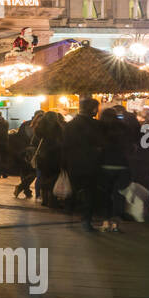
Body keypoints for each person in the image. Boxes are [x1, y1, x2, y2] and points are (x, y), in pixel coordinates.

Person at [62, 98, 105, 231]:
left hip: (73, 163)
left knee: (73, 190)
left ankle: (69, 215)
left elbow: (64, 145)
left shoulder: (70, 125)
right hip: (90, 162)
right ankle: (86, 220)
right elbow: (101, 143)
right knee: (90, 192)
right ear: (93, 109)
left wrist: (64, 163)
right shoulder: (96, 125)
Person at [96, 107, 134, 232]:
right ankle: (116, 224)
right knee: (119, 196)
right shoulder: (124, 127)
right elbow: (131, 146)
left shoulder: (99, 128)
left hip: (104, 166)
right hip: (122, 166)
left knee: (105, 195)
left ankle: (106, 222)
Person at [32, 111, 65, 207]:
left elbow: (35, 140)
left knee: (43, 178)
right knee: (53, 178)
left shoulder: (40, 128)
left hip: (42, 156)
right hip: (55, 156)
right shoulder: (58, 128)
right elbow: (61, 141)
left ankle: (44, 199)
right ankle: (52, 200)